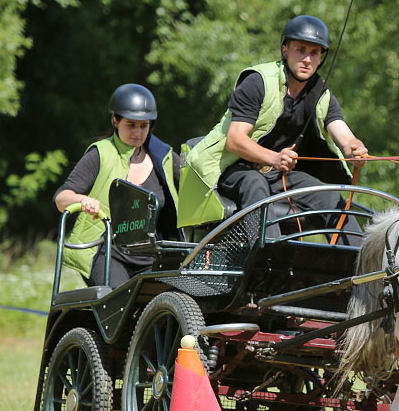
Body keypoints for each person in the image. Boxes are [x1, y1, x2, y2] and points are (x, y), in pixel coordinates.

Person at [177, 15, 367, 243]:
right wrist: (274, 158)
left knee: (327, 196)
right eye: (301, 49)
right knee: (254, 183)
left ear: (321, 58)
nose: (307, 59)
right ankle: (270, 258)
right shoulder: (257, 82)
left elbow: (343, 136)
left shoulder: (321, 94)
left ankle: (360, 266)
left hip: (278, 174)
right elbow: (235, 140)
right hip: (231, 169)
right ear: (285, 50)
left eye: (314, 53)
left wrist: (354, 150)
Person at [54, 84, 180, 287]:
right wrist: (82, 200)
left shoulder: (164, 158)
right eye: (130, 125)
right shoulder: (100, 154)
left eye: (143, 126)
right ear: (115, 120)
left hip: (152, 258)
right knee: (120, 303)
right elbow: (61, 199)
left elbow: (196, 181)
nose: (137, 133)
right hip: (106, 253)